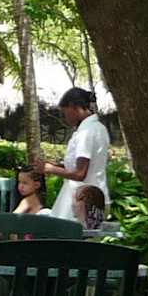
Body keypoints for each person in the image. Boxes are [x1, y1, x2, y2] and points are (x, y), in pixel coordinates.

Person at [42, 88, 111, 227]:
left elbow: (80, 174)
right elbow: (86, 165)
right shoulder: (98, 128)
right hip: (96, 195)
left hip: (82, 200)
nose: (65, 118)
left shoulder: (86, 133)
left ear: (75, 107)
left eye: (65, 113)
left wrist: (50, 169)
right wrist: (57, 165)